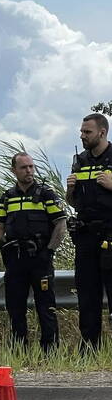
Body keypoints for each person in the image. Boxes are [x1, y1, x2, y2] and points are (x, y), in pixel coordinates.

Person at [0, 152, 67, 353]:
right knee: (15, 308)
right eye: (24, 167)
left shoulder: (46, 194)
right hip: (15, 260)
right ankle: (18, 351)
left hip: (40, 258)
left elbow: (61, 224)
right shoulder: (7, 197)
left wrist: (49, 251)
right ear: (14, 170)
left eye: (31, 166)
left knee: (46, 308)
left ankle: (50, 352)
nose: (29, 171)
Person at [66, 113, 112, 352]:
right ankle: (89, 351)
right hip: (85, 237)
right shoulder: (80, 160)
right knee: (87, 298)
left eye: (87, 132)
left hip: (110, 235)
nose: (82, 136)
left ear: (102, 133)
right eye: (81, 132)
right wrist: (69, 190)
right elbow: (74, 202)